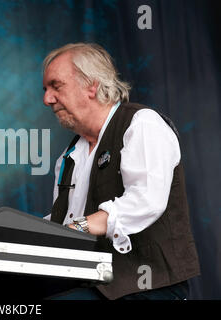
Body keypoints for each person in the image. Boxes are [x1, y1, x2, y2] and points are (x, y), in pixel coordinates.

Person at [42, 43, 200, 300]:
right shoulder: (67, 158)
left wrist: (78, 227)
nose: (47, 99)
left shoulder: (142, 124)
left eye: (56, 86)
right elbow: (65, 223)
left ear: (91, 85)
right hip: (94, 282)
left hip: (147, 287)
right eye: (46, 90)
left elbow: (146, 201)